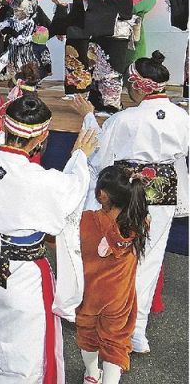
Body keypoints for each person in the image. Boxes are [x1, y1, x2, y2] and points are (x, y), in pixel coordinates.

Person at [0, 95, 98, 384]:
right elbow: (73, 190)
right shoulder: (40, 180)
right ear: (43, 136)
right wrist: (80, 156)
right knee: (26, 352)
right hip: (23, 275)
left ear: (3, 125)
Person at [73, 51, 189, 354]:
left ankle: (113, 325)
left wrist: (88, 119)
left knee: (119, 261)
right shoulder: (181, 116)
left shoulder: (123, 120)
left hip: (126, 194)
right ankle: (137, 331)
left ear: (137, 87)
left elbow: (100, 158)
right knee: (149, 260)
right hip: (162, 191)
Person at [75, 165, 149, 384]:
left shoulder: (86, 220)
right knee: (115, 342)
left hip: (88, 294)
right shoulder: (140, 223)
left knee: (87, 335)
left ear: (102, 195)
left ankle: (90, 374)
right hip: (118, 298)